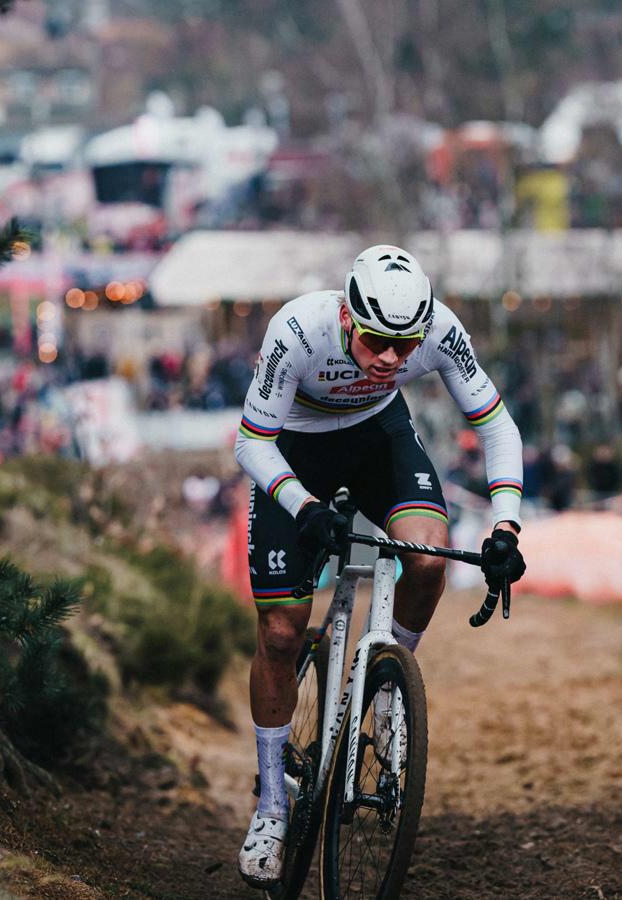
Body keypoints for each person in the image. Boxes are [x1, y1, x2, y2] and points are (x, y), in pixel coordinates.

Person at [232, 245, 527, 887]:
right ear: (345, 315)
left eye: (404, 345)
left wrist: (506, 524)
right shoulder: (297, 330)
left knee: (425, 560)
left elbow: (499, 426)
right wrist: (304, 507)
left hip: (376, 438)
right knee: (281, 633)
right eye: (375, 341)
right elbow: (251, 440)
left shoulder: (441, 330)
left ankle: (389, 688)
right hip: (292, 452)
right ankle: (273, 806)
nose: (391, 358)